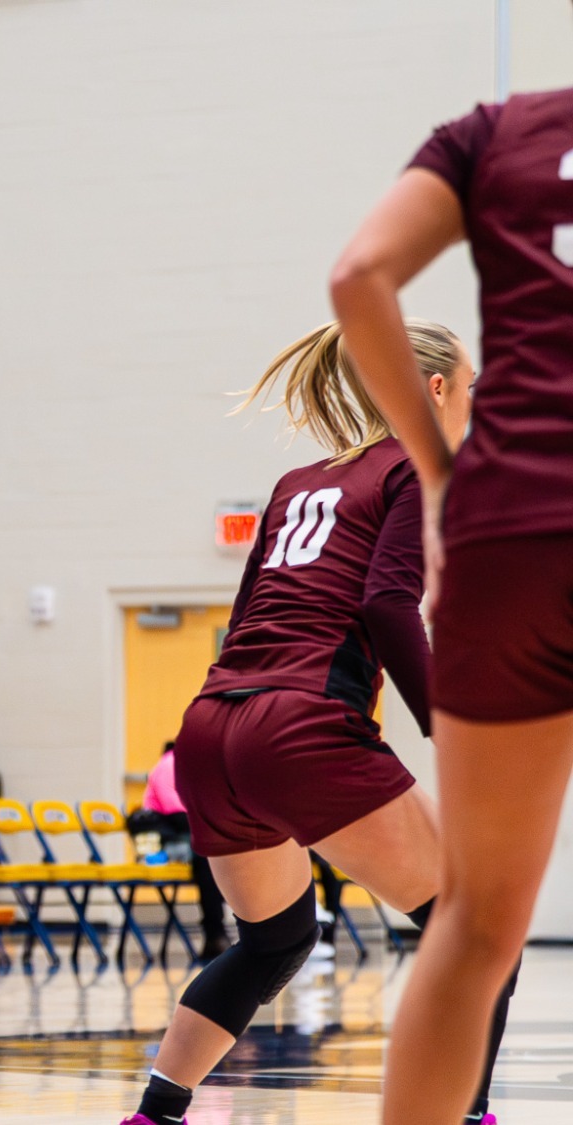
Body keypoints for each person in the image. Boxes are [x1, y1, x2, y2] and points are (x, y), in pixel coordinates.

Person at [120, 320, 514, 1125]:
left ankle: (154, 1115)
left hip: (211, 727)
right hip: (298, 727)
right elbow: (388, 603)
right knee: (479, 927)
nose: (476, 404)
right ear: (435, 389)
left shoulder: (297, 482)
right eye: (472, 387)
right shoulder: (415, 467)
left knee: (275, 940)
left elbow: (244, 619)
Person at [329, 85, 573, 1125]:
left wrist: (438, 474)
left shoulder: (499, 130)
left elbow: (356, 276)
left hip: (505, 529)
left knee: (472, 925)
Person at [135, 743, 230, 959]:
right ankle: (215, 932)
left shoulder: (180, 766)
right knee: (209, 857)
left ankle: (216, 932)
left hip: (180, 838)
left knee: (215, 854)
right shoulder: (170, 765)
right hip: (162, 846)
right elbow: (178, 814)